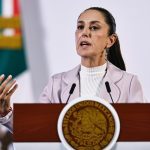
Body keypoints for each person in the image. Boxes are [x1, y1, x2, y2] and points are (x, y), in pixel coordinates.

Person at [0, 7, 146, 134]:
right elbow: (37, 133)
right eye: (80, 27)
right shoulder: (56, 84)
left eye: (94, 27)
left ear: (110, 40)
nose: (84, 33)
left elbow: (142, 132)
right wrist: (6, 114)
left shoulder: (129, 83)